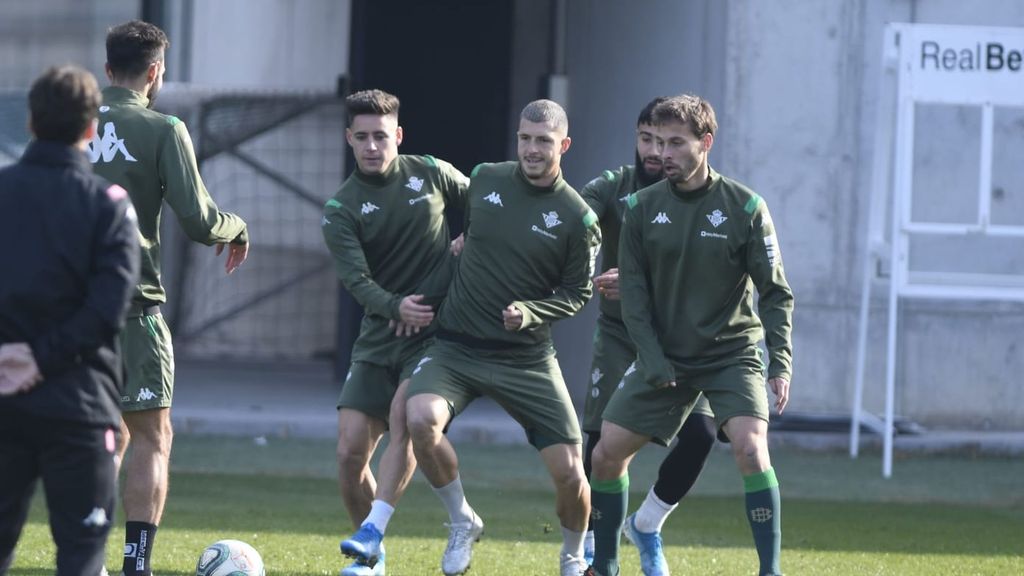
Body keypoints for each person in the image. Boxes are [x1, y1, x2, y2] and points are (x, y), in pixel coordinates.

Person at [587, 94, 794, 576]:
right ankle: (606, 564)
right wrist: (652, 358)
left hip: (731, 354)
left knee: (749, 448)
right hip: (667, 354)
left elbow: (776, 292)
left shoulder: (745, 207)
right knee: (604, 454)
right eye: (657, 142)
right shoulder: (640, 207)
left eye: (676, 143)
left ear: (705, 143)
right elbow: (633, 297)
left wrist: (780, 361)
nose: (663, 153)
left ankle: (770, 570)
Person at [406, 99, 601, 576]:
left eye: (544, 141)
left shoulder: (578, 218)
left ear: (565, 146)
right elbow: (467, 244)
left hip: (527, 359)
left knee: (572, 474)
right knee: (419, 421)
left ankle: (574, 556)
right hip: (456, 348)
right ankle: (461, 520)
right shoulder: (486, 179)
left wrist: (531, 312)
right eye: (525, 138)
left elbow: (578, 294)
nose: (532, 150)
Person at [88, 21, 249, 576]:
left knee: (96, 435)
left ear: (108, 68)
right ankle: (135, 565)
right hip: (133, 309)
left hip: (67, 313)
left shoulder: (71, 125)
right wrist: (237, 226)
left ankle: (87, 557)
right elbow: (203, 223)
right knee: (151, 436)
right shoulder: (163, 128)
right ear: (155, 72)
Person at [321, 89, 468, 576]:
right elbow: (356, 280)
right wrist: (394, 306)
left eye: (380, 136)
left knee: (406, 418)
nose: (371, 146)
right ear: (348, 138)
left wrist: (471, 239)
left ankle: (371, 538)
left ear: (398, 136)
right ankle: (374, 555)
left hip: (433, 337)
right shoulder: (341, 207)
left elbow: (493, 206)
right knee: (348, 456)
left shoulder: (430, 172)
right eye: (361, 137)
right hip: (380, 334)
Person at [0, 65, 140, 576]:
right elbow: (106, 312)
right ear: (90, 131)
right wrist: (41, 358)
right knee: (81, 553)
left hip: (2, 398)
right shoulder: (108, 206)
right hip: (77, 405)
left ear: (31, 123)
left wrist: (15, 358)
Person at [579, 97, 718, 574]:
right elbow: (573, 212)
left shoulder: (701, 196)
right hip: (621, 333)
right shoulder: (616, 186)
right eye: (647, 140)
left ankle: (649, 523)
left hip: (682, 339)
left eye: (666, 141)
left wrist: (638, 281)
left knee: (701, 434)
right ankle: (598, 544)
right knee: (598, 440)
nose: (656, 151)